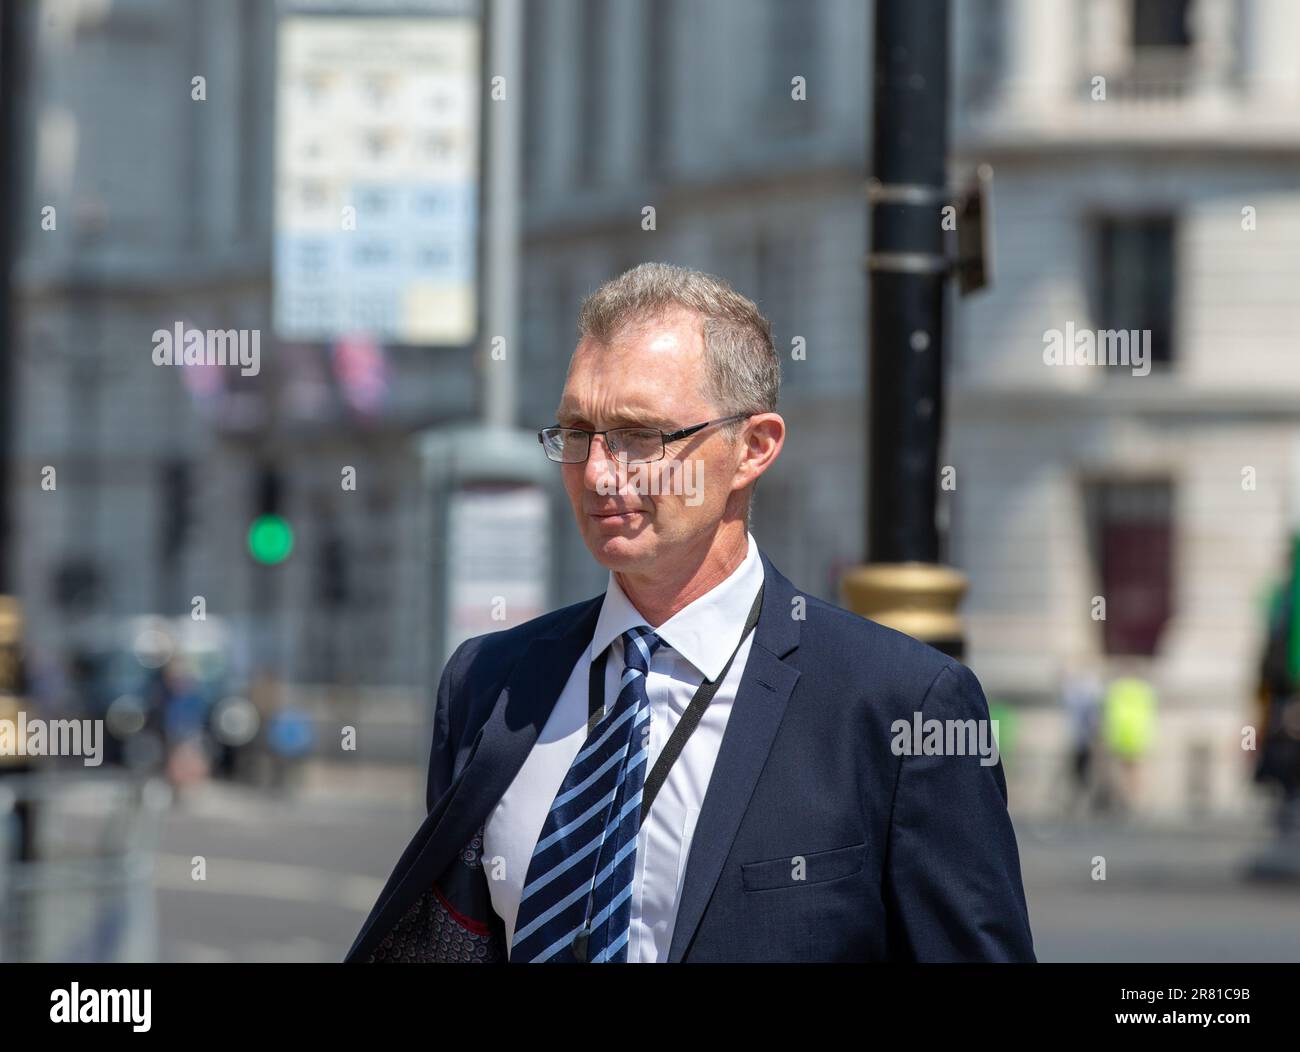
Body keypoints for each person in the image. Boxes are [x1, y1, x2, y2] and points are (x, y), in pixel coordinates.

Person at [346, 263, 1035, 963]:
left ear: (753, 448)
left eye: (641, 435)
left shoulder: (897, 702)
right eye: (577, 431)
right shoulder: (488, 681)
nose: (598, 473)